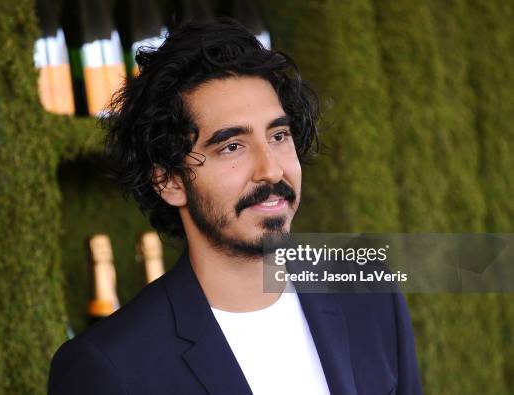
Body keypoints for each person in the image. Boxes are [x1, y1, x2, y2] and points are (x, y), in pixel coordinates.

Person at [48, 19, 422, 395]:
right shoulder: (109, 368)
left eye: (278, 136)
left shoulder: (369, 295)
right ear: (169, 181)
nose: (271, 169)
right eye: (232, 146)